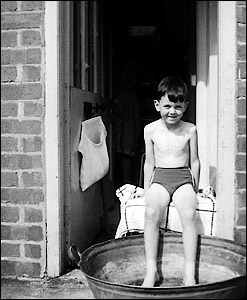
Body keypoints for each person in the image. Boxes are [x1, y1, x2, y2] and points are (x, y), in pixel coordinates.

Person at [141, 76, 200, 287]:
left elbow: (194, 161)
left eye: (177, 106)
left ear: (185, 106)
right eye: (167, 106)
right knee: (150, 212)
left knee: (188, 213)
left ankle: (189, 273)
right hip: (161, 177)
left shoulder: (190, 129)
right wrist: (146, 188)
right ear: (157, 105)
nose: (172, 111)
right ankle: (151, 271)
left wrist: (196, 188)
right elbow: (149, 162)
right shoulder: (150, 130)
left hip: (183, 178)